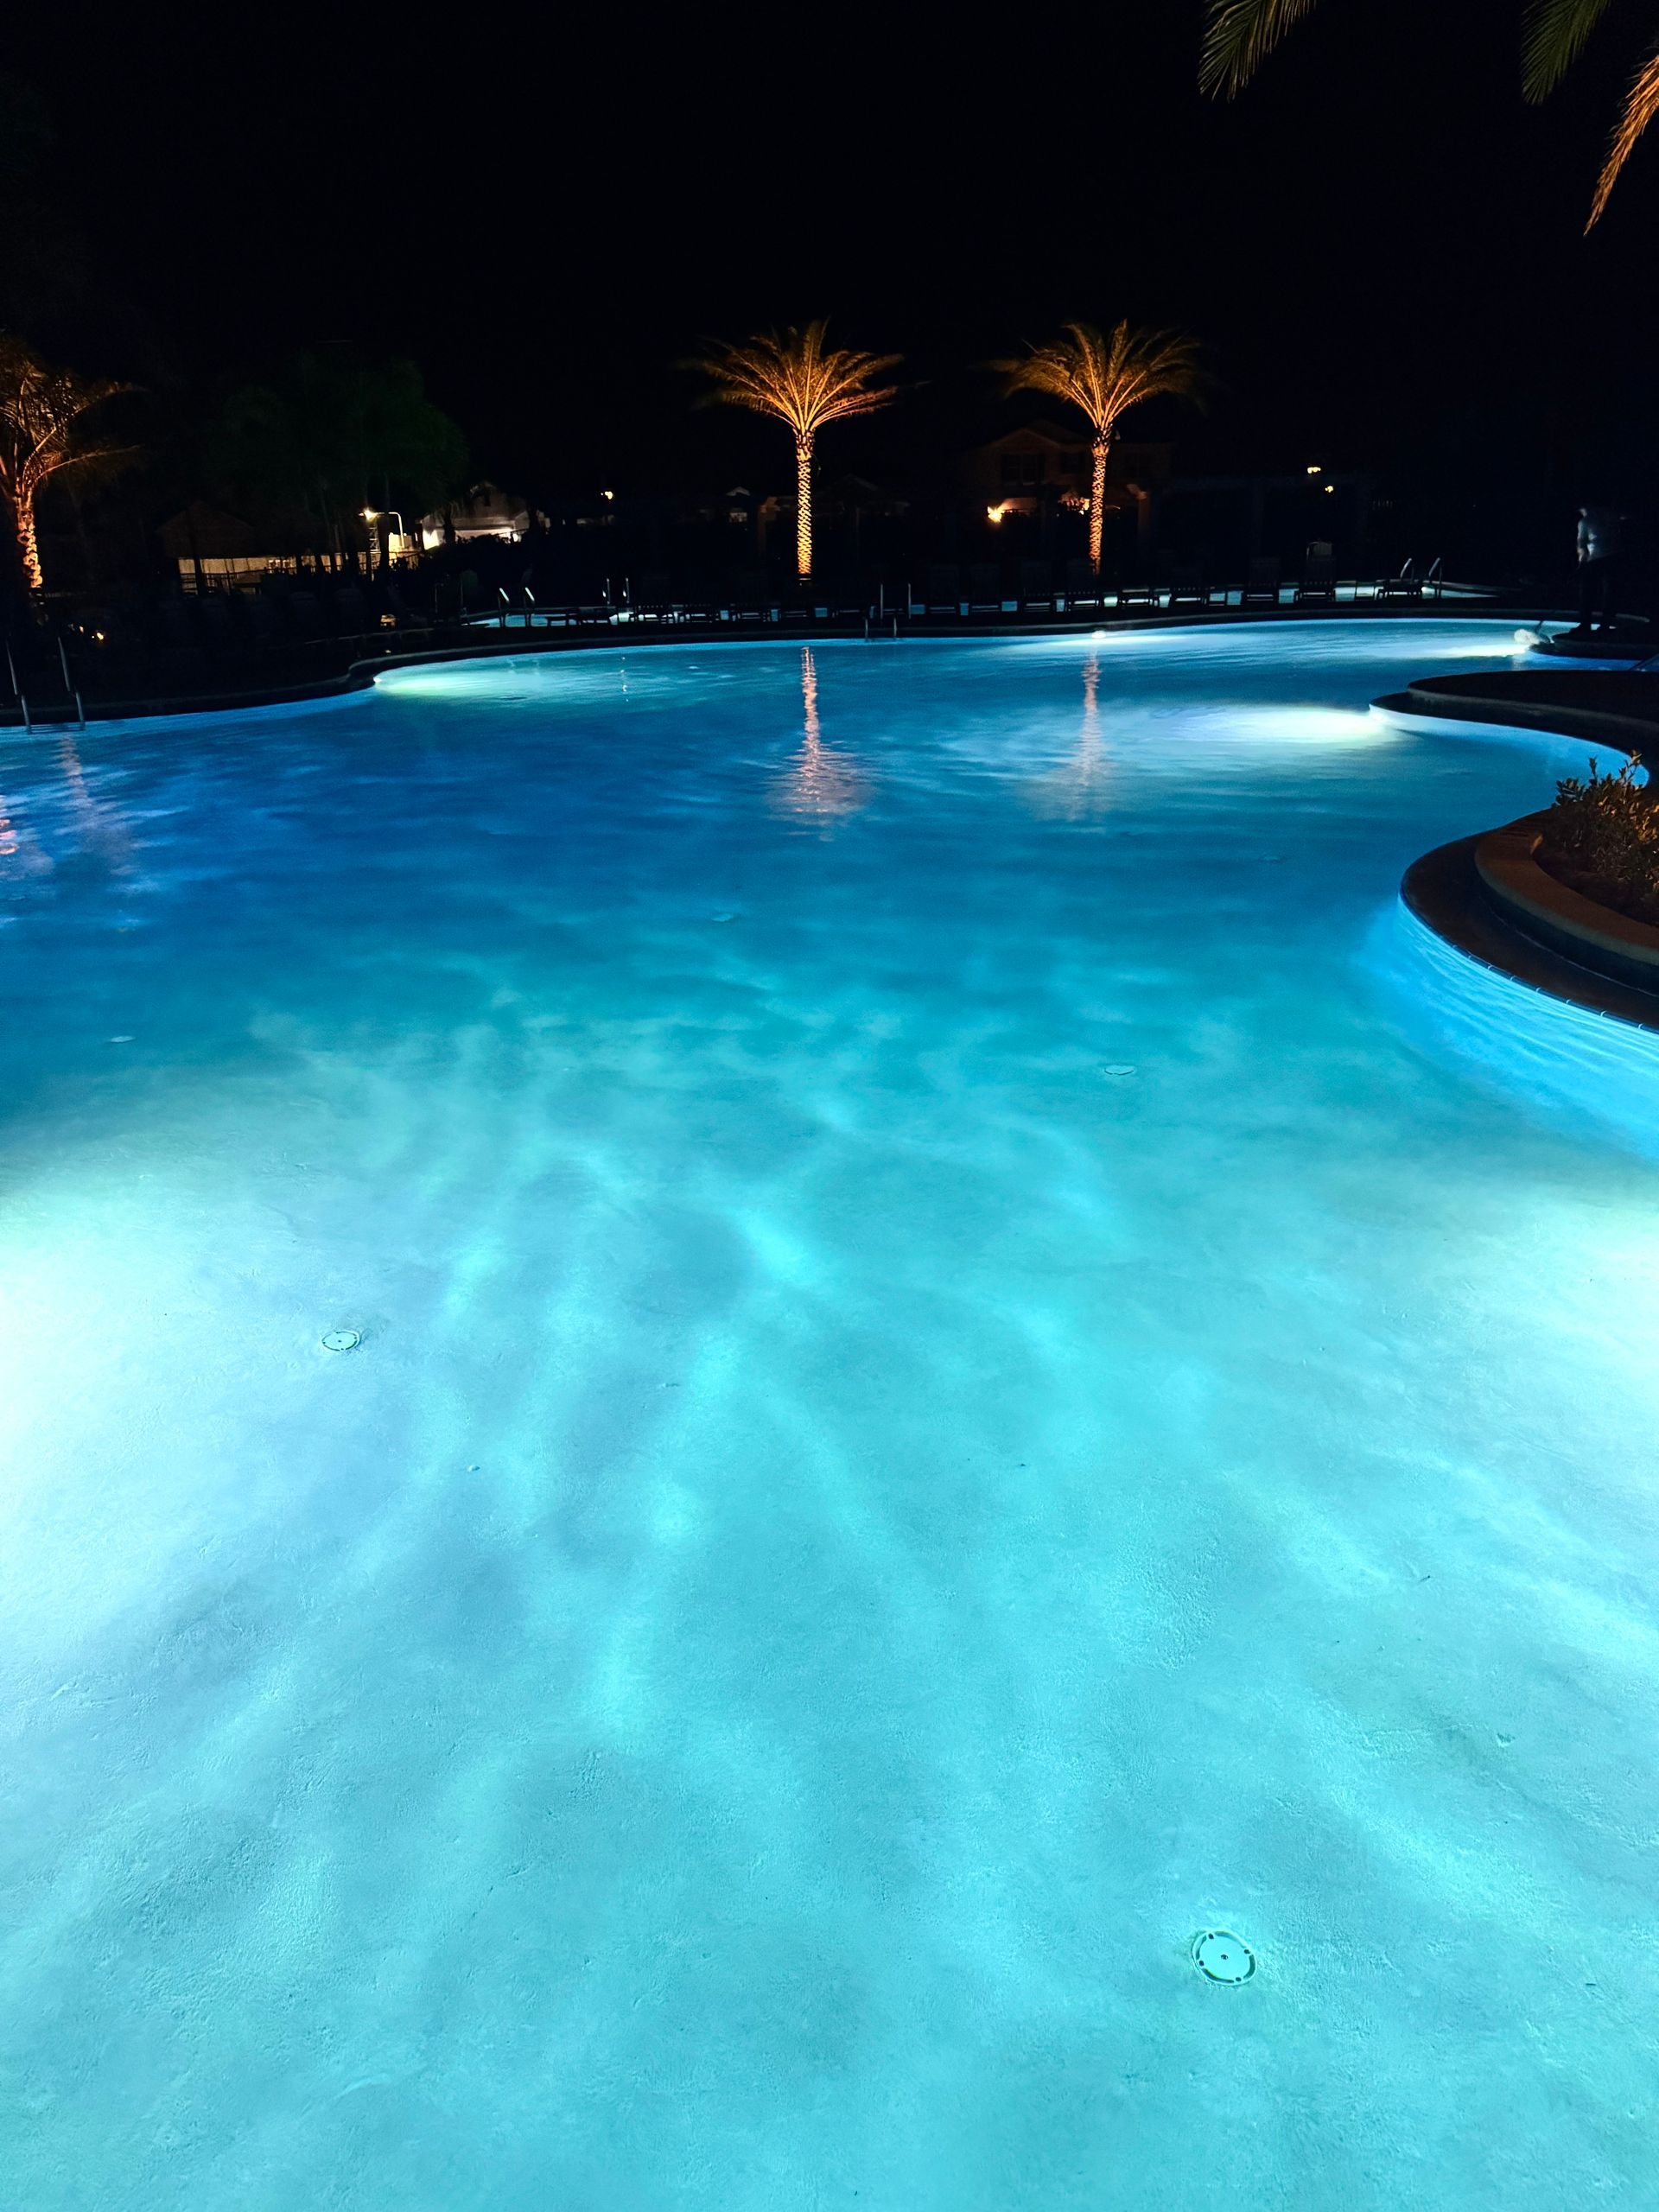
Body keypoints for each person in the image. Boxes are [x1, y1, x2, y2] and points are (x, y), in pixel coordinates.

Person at [1574, 502, 1623, 636]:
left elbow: (1582, 544)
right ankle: (1605, 625)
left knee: (1587, 592)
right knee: (1609, 592)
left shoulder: (1585, 521)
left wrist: (1581, 563)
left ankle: (1585, 624)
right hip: (1614, 557)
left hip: (1596, 559)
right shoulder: (1611, 515)